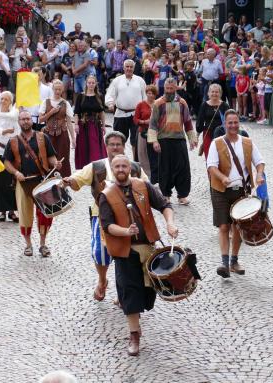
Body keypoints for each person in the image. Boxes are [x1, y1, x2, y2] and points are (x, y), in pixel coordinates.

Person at [98, 154, 177, 356]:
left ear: (130, 169)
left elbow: (165, 205)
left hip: (148, 249)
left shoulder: (143, 186)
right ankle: (134, 334)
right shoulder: (106, 195)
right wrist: (126, 232)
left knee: (147, 295)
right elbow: (107, 226)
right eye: (117, 166)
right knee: (130, 293)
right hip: (125, 253)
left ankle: (136, 322)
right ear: (112, 170)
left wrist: (169, 223)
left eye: (124, 165)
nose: (121, 169)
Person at [63, 131, 146, 301]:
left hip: (129, 216)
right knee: (100, 253)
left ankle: (124, 293)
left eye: (118, 144)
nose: (115, 147)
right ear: (106, 146)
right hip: (101, 215)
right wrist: (68, 181)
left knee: (128, 255)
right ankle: (102, 280)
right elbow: (77, 179)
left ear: (124, 147)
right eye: (112, 144)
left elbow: (147, 186)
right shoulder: (96, 166)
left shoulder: (134, 167)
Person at [207, 110, 265, 278]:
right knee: (224, 226)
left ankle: (234, 260)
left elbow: (259, 162)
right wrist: (223, 177)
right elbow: (211, 166)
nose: (233, 126)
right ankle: (224, 263)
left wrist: (259, 174)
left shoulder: (247, 142)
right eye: (230, 123)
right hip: (220, 190)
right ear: (225, 124)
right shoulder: (216, 143)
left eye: (235, 122)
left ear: (239, 124)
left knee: (237, 226)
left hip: (241, 189)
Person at [3, 110, 62, 257]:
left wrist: (56, 164)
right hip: (23, 183)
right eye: (22, 119)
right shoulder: (13, 141)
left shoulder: (43, 137)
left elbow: (51, 157)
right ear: (19, 122)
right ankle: (28, 245)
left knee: (45, 214)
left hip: (42, 181)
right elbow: (6, 162)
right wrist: (16, 173)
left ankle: (43, 244)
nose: (25, 121)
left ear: (32, 120)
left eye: (28, 118)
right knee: (24, 214)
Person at [147, 78, 197, 204]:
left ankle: (182, 195)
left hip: (179, 139)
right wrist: (154, 141)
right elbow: (152, 124)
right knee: (165, 168)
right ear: (164, 88)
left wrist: (192, 138)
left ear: (176, 88)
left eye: (171, 88)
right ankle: (165, 194)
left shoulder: (182, 103)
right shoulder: (158, 103)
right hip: (163, 139)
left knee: (183, 168)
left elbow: (188, 122)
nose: (169, 91)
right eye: (167, 88)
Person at [106, 59, 147, 162]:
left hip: (136, 115)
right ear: (123, 68)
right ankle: (118, 162)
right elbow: (110, 94)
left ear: (134, 68)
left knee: (136, 141)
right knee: (118, 140)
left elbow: (145, 97)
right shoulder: (117, 80)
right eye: (127, 67)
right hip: (120, 114)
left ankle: (136, 164)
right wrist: (110, 103)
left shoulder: (140, 81)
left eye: (131, 67)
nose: (129, 69)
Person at [0, 91, 20, 222]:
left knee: (12, 181)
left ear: (10, 102)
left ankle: (12, 211)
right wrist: (7, 131)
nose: (3, 101)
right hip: (0, 150)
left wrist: (8, 131)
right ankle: (2, 211)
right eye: (1, 99)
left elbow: (13, 121)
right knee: (0, 182)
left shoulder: (14, 112)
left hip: (13, 151)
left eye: (6, 99)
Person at [39, 79, 75, 177]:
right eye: (56, 89)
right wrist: (51, 112)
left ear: (62, 90)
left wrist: (73, 139)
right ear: (52, 89)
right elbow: (40, 120)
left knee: (63, 157)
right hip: (48, 135)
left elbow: (69, 122)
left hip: (62, 134)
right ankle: (48, 178)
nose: (58, 91)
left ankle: (63, 181)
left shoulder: (65, 103)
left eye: (60, 89)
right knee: (47, 156)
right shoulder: (45, 102)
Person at [74, 75, 107, 169]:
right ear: (86, 84)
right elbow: (76, 113)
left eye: (93, 83)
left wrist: (104, 126)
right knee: (84, 147)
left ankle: (97, 168)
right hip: (83, 125)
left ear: (96, 84)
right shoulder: (81, 96)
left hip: (95, 126)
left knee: (95, 147)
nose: (91, 85)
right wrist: (76, 125)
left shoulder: (99, 96)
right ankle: (85, 169)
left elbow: (102, 112)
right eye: (89, 83)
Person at [197, 83, 230, 159]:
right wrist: (197, 136)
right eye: (212, 92)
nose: (214, 94)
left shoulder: (224, 106)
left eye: (216, 92)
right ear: (208, 93)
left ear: (220, 94)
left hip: (222, 134)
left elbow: (230, 120)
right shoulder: (204, 105)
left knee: (221, 158)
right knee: (209, 157)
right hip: (208, 133)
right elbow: (200, 121)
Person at [133, 85, 158, 179]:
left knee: (155, 155)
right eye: (148, 93)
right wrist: (144, 122)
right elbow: (135, 120)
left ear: (155, 94)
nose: (150, 95)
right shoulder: (141, 105)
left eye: (152, 93)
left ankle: (155, 176)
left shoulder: (158, 104)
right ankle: (145, 176)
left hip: (156, 133)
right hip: (143, 132)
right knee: (142, 154)